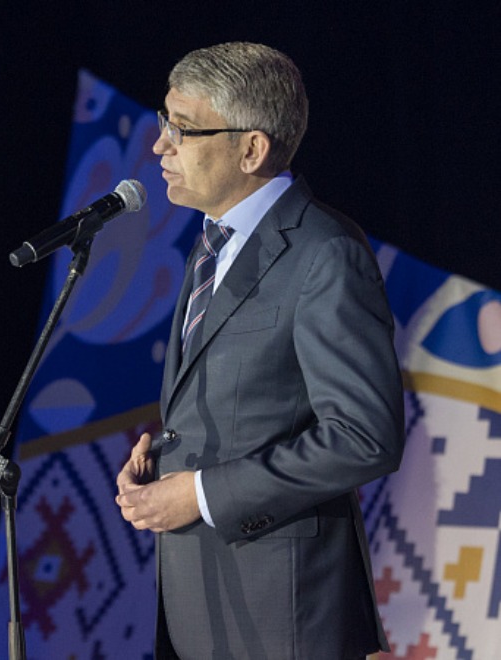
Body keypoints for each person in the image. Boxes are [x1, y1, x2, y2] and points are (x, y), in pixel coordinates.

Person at [115, 43, 404, 659]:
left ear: (251, 149)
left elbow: (364, 436)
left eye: (183, 129)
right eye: (165, 123)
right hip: (203, 602)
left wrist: (199, 494)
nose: (160, 146)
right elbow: (251, 404)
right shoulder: (210, 246)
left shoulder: (324, 252)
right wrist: (162, 465)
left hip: (284, 612)